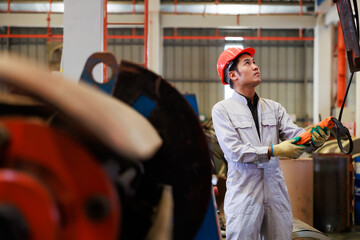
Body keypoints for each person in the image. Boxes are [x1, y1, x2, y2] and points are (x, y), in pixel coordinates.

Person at [211, 47, 329, 240]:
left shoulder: (274, 108)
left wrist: (314, 139)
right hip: (244, 195)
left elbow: (296, 136)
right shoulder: (222, 110)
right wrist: (273, 150)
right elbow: (234, 152)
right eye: (247, 63)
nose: (256, 66)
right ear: (232, 74)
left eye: (254, 62)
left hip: (276, 193)